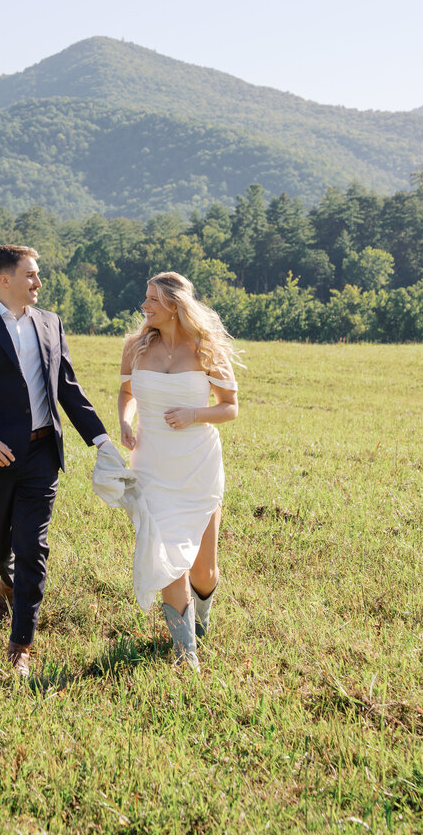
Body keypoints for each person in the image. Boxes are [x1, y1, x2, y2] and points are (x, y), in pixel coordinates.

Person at [0, 244, 111, 678]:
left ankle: (21, 646)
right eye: (31, 275)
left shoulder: (50, 323)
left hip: (41, 454)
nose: (38, 282)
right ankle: (6, 579)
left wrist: (101, 440)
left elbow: (67, 388)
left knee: (33, 547)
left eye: (38, 275)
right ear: (5, 280)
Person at [116, 271, 240, 671]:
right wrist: (124, 420)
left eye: (153, 299)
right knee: (165, 554)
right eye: (145, 297)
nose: (144, 305)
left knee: (204, 570)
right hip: (151, 467)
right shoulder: (136, 347)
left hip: (196, 467)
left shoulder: (206, 349)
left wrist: (194, 414)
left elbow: (230, 406)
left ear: (175, 305)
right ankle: (187, 655)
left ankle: (200, 617)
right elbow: (126, 392)